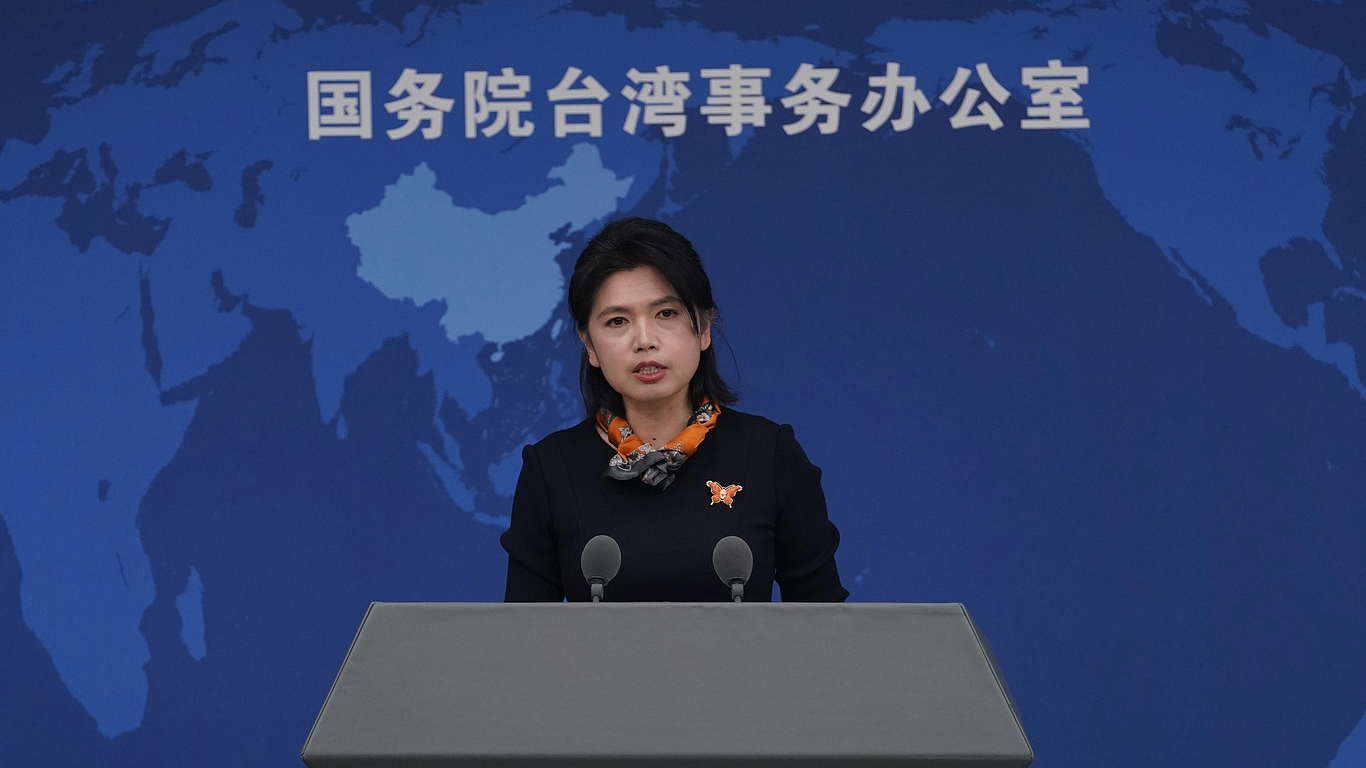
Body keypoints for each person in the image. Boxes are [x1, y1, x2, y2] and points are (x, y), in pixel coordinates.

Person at [501, 217, 848, 602]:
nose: (644, 340)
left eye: (666, 313)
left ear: (704, 328)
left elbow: (828, 626)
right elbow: (521, 634)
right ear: (590, 345)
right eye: (617, 321)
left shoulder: (770, 455)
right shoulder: (551, 469)